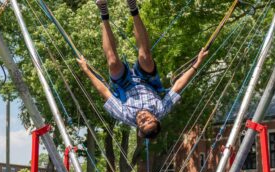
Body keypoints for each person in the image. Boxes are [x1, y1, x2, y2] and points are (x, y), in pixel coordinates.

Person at [77, 0, 209, 139]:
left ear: (138, 127)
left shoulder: (125, 115)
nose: (142, 119)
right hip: (148, 81)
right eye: (147, 120)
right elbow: (178, 86)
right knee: (145, 56)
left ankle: (103, 12)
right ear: (155, 118)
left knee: (113, 62)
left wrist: (87, 70)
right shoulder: (161, 110)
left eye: (141, 124)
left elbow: (104, 91)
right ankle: (133, 7)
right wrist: (197, 63)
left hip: (124, 84)